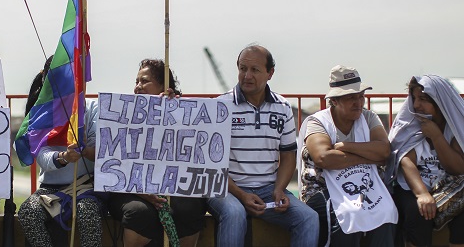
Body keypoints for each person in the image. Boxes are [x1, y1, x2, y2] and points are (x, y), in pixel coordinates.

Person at [207, 45, 318, 247]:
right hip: (227, 189)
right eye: (242, 69)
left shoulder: (283, 107)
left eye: (255, 70)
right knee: (234, 213)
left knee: (309, 218)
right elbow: (212, 164)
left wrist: (279, 189)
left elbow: (288, 156)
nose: (247, 75)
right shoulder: (220, 106)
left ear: (270, 73)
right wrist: (241, 194)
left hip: (267, 189)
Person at [107, 58, 207, 247]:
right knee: (140, 212)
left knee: (190, 206)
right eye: (136, 82)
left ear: (164, 85)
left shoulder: (180, 112)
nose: (138, 87)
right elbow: (116, 164)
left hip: (170, 187)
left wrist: (173, 112)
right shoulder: (123, 115)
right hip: (130, 189)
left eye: (144, 81)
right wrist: (145, 194)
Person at [297, 65, 397, 247]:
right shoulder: (317, 122)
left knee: (386, 211)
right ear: (334, 101)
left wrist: (346, 146)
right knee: (345, 216)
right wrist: (369, 157)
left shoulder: (368, 117)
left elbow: (384, 151)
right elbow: (324, 158)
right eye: (351, 97)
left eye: (361, 96)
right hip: (321, 187)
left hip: (365, 184)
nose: (358, 103)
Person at [17, 57, 107, 247]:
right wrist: (63, 157)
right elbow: (41, 155)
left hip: (85, 187)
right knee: (28, 211)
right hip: (50, 189)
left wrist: (85, 150)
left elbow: (101, 149)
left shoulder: (92, 108)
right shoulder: (40, 114)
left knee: (87, 211)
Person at [386, 75, 464, 247]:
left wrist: (436, 135)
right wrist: (422, 194)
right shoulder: (411, 125)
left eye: (423, 99)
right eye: (414, 99)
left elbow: (458, 167)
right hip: (413, 188)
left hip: (449, 187)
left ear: (439, 101)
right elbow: (406, 161)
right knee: (417, 211)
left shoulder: (455, 128)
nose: (416, 105)